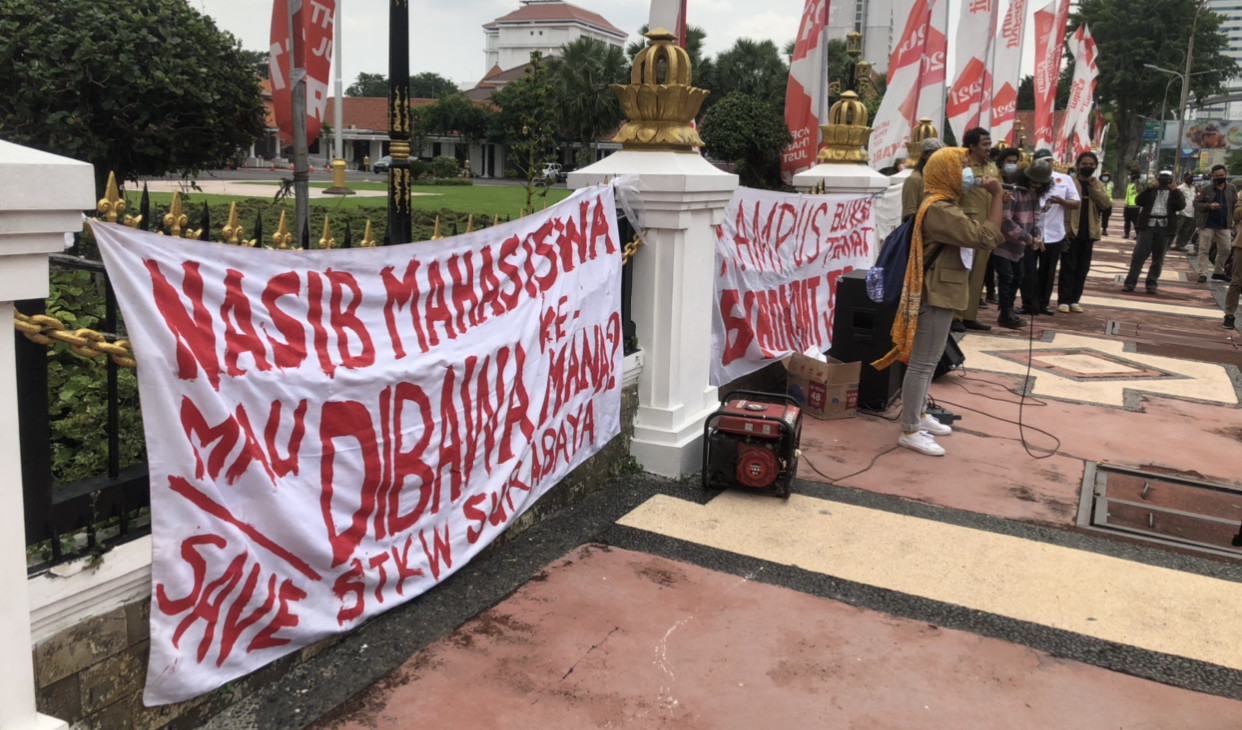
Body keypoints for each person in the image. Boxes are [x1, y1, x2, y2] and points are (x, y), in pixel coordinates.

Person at [873, 146, 1003, 457]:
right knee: (922, 363)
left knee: (929, 362)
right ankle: (909, 429)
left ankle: (918, 415)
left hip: (942, 290)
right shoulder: (939, 210)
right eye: (961, 168)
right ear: (945, 173)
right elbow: (985, 237)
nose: (967, 174)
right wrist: (996, 196)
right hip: (935, 293)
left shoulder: (944, 205)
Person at [1019, 149, 1080, 316]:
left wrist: (1062, 201)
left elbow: (1075, 203)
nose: (1045, 164)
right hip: (1031, 232)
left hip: (1054, 232)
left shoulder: (1065, 179)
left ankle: (1043, 303)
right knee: (1028, 269)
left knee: (1048, 270)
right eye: (1041, 161)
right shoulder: (1030, 178)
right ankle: (1028, 303)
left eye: (1048, 161)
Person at [951, 127, 999, 333]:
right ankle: (955, 316)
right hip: (967, 225)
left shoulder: (992, 168)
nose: (989, 148)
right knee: (962, 270)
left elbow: (998, 191)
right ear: (972, 146)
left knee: (979, 272)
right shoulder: (962, 165)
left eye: (990, 144)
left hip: (987, 226)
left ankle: (969, 315)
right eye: (984, 144)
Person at [995, 159, 1050, 328]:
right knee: (1006, 277)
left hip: (1020, 246)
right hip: (1003, 243)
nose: (1035, 185)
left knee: (1018, 277)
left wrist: (1037, 236)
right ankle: (1005, 312)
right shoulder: (1014, 190)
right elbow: (1006, 220)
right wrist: (1026, 237)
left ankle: (1009, 308)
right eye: (1033, 181)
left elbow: (1036, 219)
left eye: (1040, 183)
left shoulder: (1035, 194)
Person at [1058, 151, 1112, 313]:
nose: (1087, 167)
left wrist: (1093, 185)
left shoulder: (1098, 184)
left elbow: (1105, 204)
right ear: (1078, 165)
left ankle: (1075, 299)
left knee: (1083, 268)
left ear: (1095, 166)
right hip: (1071, 230)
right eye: (1084, 164)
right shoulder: (1070, 182)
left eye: (1091, 165)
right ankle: (1064, 300)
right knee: (1068, 266)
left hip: (1089, 232)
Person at [1123, 169, 1185, 295]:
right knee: (1139, 255)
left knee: (1158, 257)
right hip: (1148, 226)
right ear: (1157, 178)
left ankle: (1151, 283)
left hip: (1165, 227)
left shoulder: (1174, 192)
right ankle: (1130, 282)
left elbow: (1181, 205)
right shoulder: (1151, 190)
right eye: (1162, 177)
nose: (1164, 180)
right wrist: (1149, 188)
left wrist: (1175, 190)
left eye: (1167, 178)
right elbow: (1138, 201)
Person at [985, 147, 1023, 306]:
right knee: (988, 263)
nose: (1012, 165)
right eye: (1009, 161)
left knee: (1010, 273)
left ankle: (1005, 303)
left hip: (1009, 230)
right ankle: (989, 292)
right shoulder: (995, 177)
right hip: (992, 225)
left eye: (1015, 162)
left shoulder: (1018, 182)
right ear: (1001, 162)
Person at [1194, 164, 1238, 283]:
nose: (1219, 177)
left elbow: (1235, 205)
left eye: (1222, 175)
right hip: (1207, 224)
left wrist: (1236, 221)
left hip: (1224, 224)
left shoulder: (1231, 188)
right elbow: (1196, 204)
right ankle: (1202, 273)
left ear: (1226, 175)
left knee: (1226, 249)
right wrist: (1209, 206)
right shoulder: (1206, 189)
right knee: (1204, 249)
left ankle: (1218, 271)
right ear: (1213, 176)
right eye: (1217, 176)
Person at [902, 137, 946, 221]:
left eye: (942, 154)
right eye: (936, 153)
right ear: (925, 155)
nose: (940, 157)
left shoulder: (940, 179)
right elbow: (909, 213)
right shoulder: (914, 179)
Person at [1170, 173, 1198, 252]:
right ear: (1185, 178)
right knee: (1175, 229)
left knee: (1186, 231)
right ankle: (1167, 244)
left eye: (1192, 177)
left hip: (1191, 213)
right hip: (1182, 212)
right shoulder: (1180, 188)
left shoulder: (1193, 188)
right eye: (1189, 177)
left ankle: (1180, 245)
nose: (1191, 179)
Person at [1124, 173, 1141, 239]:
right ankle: (1126, 234)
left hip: (1134, 206)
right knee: (1127, 221)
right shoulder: (1129, 184)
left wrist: (1137, 182)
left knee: (1135, 221)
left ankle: (1138, 235)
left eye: (1131, 175)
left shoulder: (1137, 184)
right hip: (1128, 206)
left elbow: (1139, 190)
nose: (1129, 176)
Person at [1099, 170, 1115, 236]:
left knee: (1106, 217)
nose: (1105, 178)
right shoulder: (1098, 183)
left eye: (1107, 177)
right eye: (1104, 176)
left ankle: (1104, 230)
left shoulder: (1111, 183)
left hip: (1108, 202)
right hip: (1099, 202)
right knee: (1096, 216)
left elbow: (1113, 192)